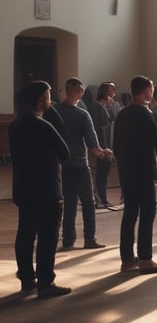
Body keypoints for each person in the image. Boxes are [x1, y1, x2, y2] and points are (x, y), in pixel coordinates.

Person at [9, 81, 72, 298]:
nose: (51, 100)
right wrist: (50, 112)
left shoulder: (16, 124)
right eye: (48, 96)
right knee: (47, 237)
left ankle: (27, 278)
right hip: (47, 189)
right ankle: (46, 281)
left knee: (25, 234)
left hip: (24, 188)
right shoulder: (43, 125)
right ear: (40, 100)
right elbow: (65, 152)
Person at [113, 75, 157, 274]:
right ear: (147, 91)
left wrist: (123, 166)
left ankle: (127, 260)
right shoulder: (144, 113)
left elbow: (116, 145)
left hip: (127, 171)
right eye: (151, 89)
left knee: (130, 213)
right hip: (142, 170)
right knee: (148, 213)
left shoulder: (123, 113)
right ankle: (146, 259)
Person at [54, 77, 110, 250]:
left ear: (66, 91)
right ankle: (89, 239)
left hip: (62, 165)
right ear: (81, 93)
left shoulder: (54, 112)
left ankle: (68, 240)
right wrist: (104, 153)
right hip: (80, 164)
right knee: (88, 202)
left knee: (69, 203)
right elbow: (93, 145)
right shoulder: (82, 114)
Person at [89, 81, 116, 207]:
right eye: (111, 90)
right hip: (101, 147)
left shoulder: (107, 106)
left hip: (107, 146)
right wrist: (102, 148)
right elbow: (98, 129)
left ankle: (103, 198)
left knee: (104, 175)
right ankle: (99, 199)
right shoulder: (96, 106)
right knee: (99, 175)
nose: (113, 93)